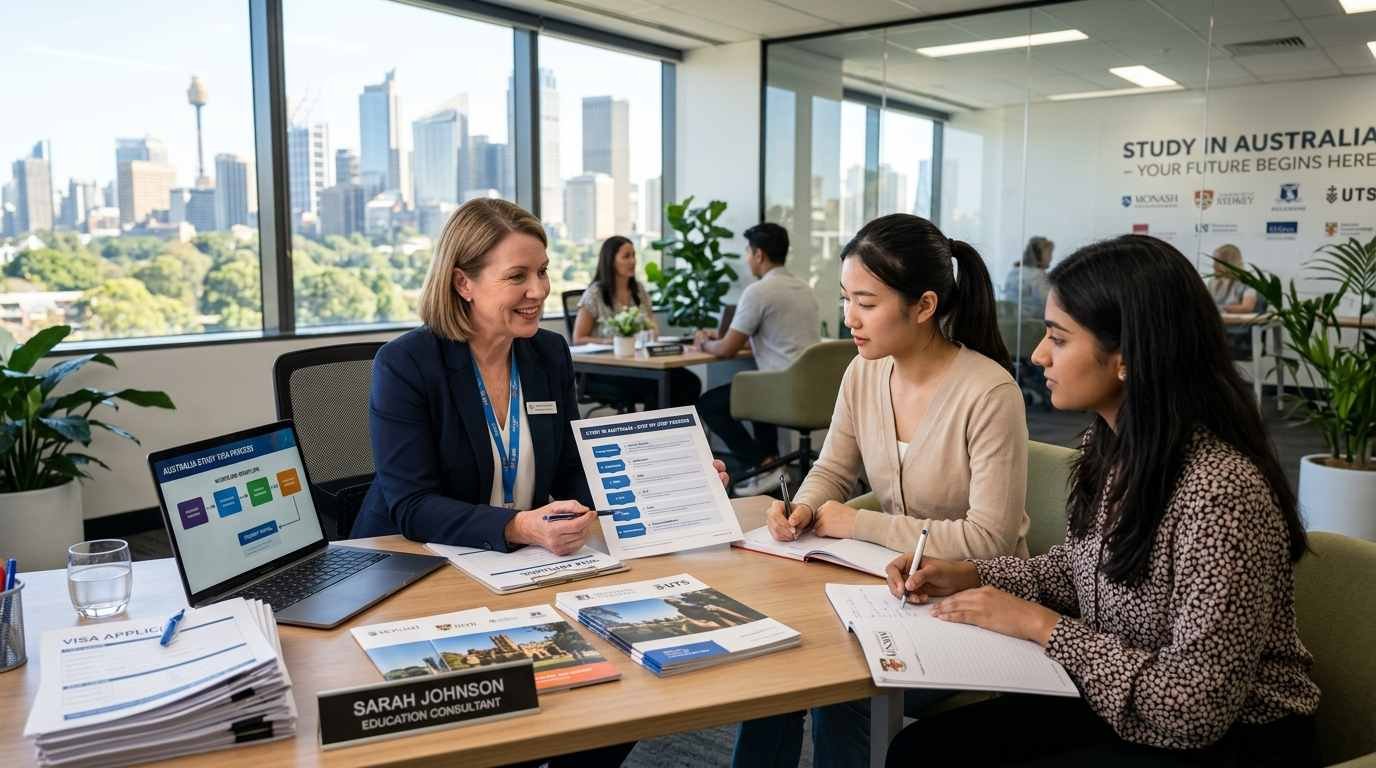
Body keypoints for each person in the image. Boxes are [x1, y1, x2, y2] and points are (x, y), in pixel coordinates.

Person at [884, 234, 1319, 767]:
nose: (1039, 354)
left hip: (1229, 739)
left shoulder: (1221, 493)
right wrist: (973, 574)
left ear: (1127, 358)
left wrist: (1041, 626)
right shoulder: (1110, 445)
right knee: (921, 751)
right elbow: (1083, 567)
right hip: (1119, 699)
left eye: (1059, 339)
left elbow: (1195, 709)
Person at [353, 200, 730, 768]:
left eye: (544, 271)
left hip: (523, 566)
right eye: (517, 276)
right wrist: (515, 524)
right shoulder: (407, 364)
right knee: (497, 721)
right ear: (464, 283)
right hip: (422, 567)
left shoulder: (547, 352)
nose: (540, 290)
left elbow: (567, 471)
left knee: (625, 688)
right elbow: (410, 504)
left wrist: (678, 477)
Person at [732, 214, 1030, 768]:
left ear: (924, 306)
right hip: (891, 587)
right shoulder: (864, 372)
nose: (849, 319)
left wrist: (856, 522)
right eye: (846, 299)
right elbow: (833, 470)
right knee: (776, 658)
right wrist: (804, 505)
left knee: (832, 683)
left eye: (866, 304)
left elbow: (989, 541)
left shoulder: (989, 392)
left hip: (970, 603)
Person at [695, 222, 820, 495]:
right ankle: (772, 466)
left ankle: (763, 465)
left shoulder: (759, 292)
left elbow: (727, 348)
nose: (747, 259)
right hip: (816, 392)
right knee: (754, 387)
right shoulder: (804, 289)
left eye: (748, 253)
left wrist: (704, 342)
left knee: (709, 403)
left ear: (759, 255)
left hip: (782, 390)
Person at [572, 235, 701, 408]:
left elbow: (653, 329)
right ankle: (652, 433)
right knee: (659, 387)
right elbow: (578, 339)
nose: (632, 261)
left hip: (641, 364)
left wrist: (650, 333)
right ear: (610, 260)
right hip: (605, 369)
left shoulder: (638, 290)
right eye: (626, 256)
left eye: (634, 255)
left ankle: (672, 432)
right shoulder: (595, 294)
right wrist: (613, 341)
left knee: (689, 382)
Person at [1208, 243, 1259, 358]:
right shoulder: (1213, 282)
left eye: (1217, 262)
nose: (1213, 266)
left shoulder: (1247, 282)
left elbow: (1247, 307)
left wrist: (1223, 308)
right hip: (1214, 328)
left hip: (1235, 332)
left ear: (1229, 264)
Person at [1002, 236, 1054, 318]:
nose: (1051, 258)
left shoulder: (1014, 272)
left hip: (1012, 320)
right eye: (1049, 254)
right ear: (1039, 255)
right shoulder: (1037, 275)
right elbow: (1050, 300)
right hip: (1031, 324)